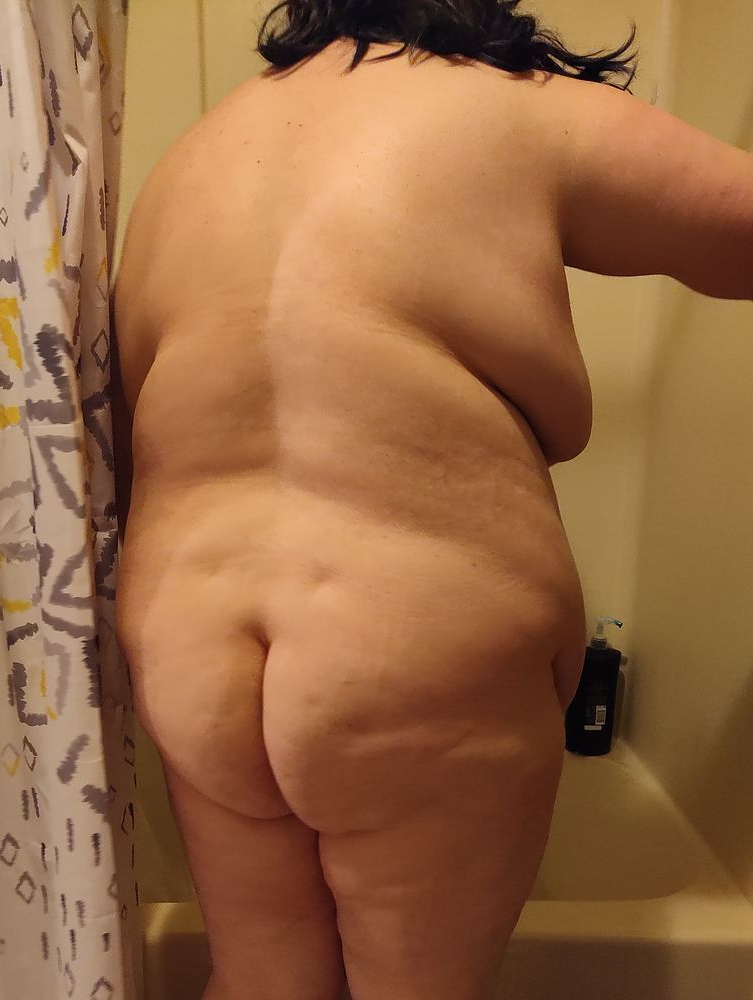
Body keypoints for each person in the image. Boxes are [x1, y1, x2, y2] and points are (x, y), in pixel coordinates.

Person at [109, 2, 753, 998]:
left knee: (260, 979)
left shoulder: (193, 156)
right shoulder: (519, 104)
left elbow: (126, 428)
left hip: (187, 640)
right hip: (411, 634)